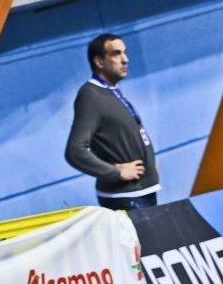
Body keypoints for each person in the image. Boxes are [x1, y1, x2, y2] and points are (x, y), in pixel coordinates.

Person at [65, 33, 160, 211]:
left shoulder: (111, 91)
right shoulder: (90, 96)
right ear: (99, 62)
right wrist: (115, 172)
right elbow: (74, 151)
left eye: (125, 52)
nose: (125, 60)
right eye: (117, 54)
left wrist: (150, 163)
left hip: (141, 192)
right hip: (126, 196)